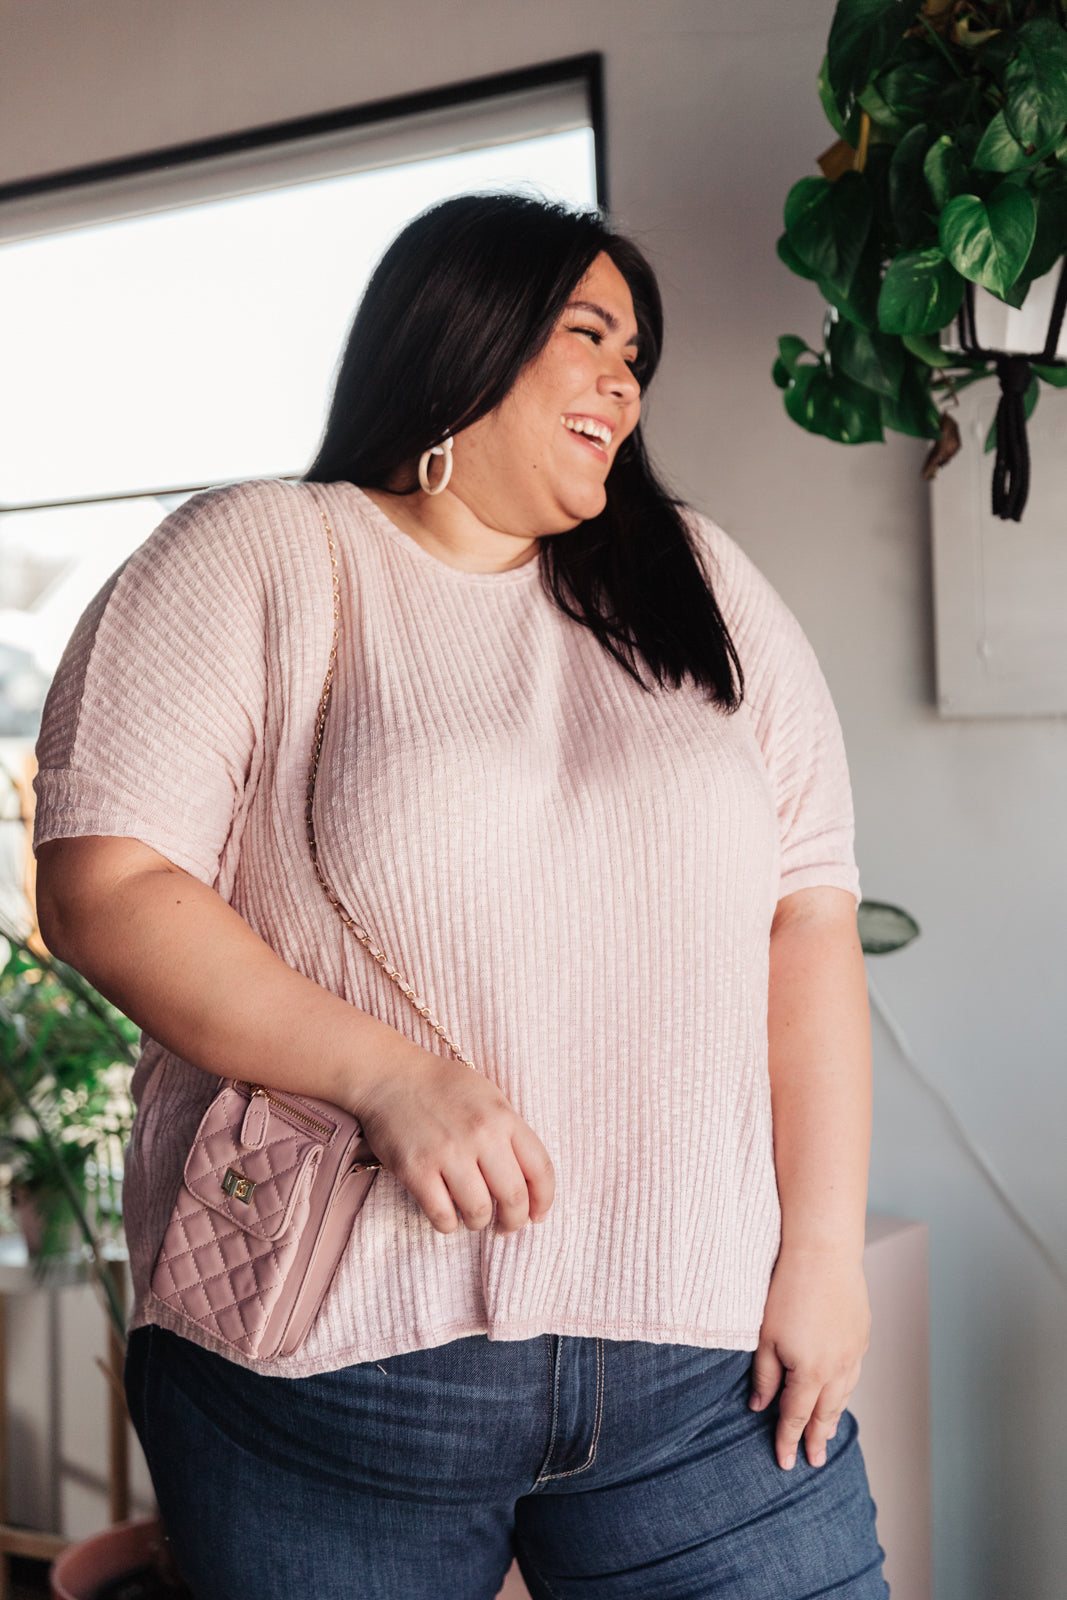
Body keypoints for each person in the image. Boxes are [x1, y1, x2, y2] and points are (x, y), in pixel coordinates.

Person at [33, 194, 887, 1600]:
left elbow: (810, 913)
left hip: (704, 1373)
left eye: (638, 356)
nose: (625, 380)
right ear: (463, 330)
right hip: (336, 1369)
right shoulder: (258, 554)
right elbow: (103, 884)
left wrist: (826, 1255)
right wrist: (389, 1077)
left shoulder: (700, 580)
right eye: (589, 333)